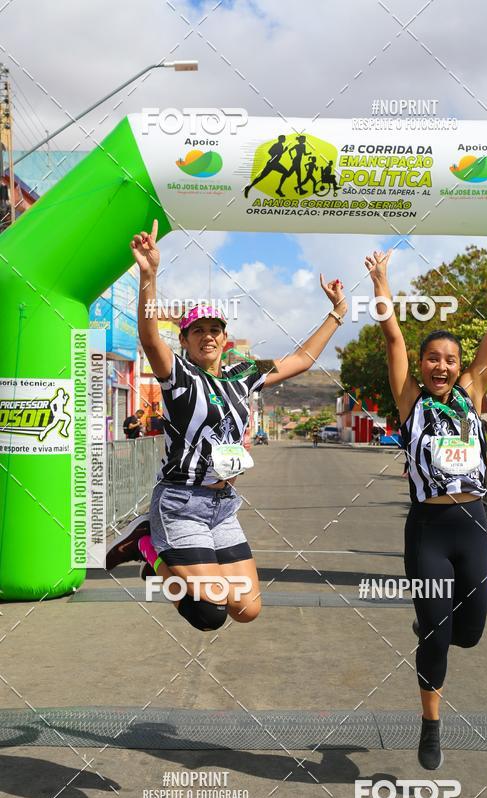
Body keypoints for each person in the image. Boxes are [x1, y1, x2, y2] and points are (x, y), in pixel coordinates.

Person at [107, 219, 347, 634]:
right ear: (184, 341)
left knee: (247, 609)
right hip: (181, 503)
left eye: (215, 330)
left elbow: (299, 361)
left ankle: (157, 548)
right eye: (196, 331)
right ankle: (149, 548)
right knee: (210, 612)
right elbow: (148, 339)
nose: (207, 336)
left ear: (225, 338)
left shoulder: (243, 374)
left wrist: (338, 314)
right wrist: (149, 276)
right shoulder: (178, 374)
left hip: (223, 507)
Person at [366, 239, 487, 771]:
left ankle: (434, 626)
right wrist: (381, 285)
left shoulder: (471, 390)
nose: (443, 365)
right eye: (433, 358)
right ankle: (431, 725)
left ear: (460, 366)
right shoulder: (410, 400)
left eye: (451, 359)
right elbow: (392, 333)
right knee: (437, 632)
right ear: (421, 365)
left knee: (473, 633)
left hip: (474, 523)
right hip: (429, 529)